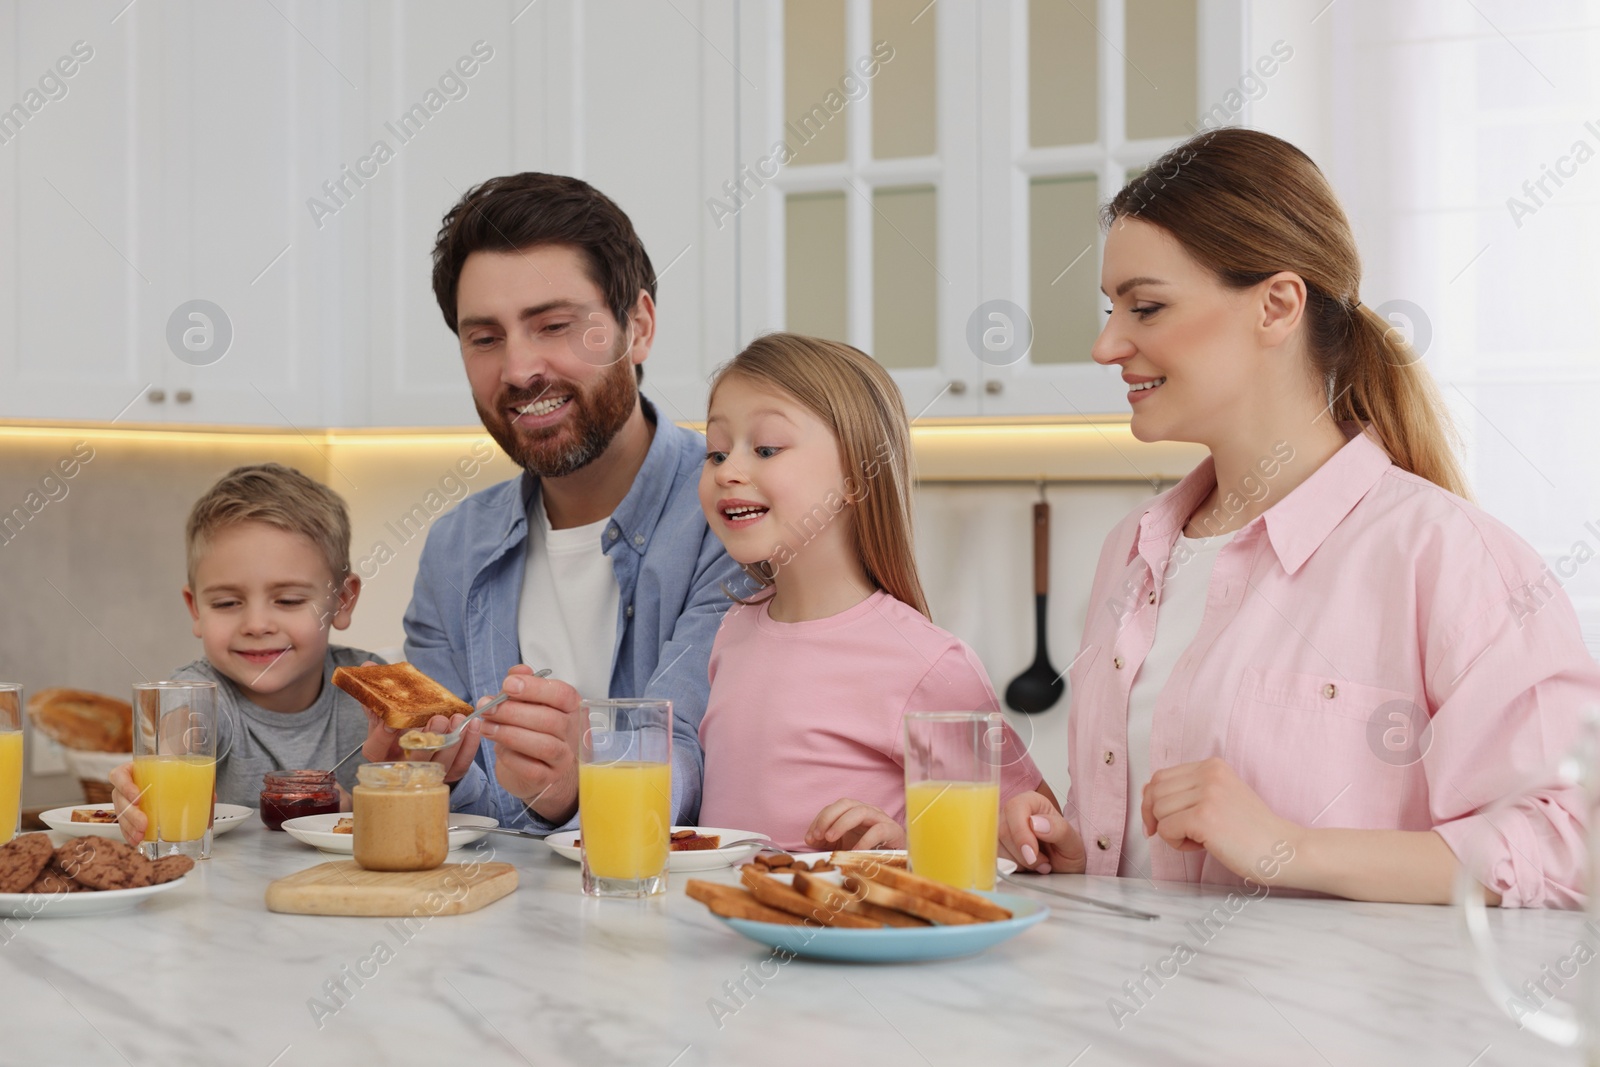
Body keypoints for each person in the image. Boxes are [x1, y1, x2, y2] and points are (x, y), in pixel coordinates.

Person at [1001, 128, 1597, 908]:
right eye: (1111, 308)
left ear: (1277, 304)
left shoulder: (1449, 556)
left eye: (1145, 306)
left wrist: (1291, 846)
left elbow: (1567, 847)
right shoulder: (1134, 550)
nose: (1106, 343)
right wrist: (1073, 850)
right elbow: (1151, 852)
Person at [362, 173, 744, 831]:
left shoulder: (729, 513)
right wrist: (430, 773)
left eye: (554, 325)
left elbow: (694, 760)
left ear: (639, 327)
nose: (517, 369)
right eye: (485, 338)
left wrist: (586, 778)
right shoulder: (456, 546)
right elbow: (476, 814)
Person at [696, 333, 1047, 850]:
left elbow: (1026, 838)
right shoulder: (734, 629)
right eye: (716, 452)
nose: (729, 471)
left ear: (857, 474)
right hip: (724, 928)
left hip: (847, 927)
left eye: (766, 448)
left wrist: (904, 846)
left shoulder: (929, 664)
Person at [111, 464, 383, 839]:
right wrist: (161, 766)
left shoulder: (368, 687)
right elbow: (182, 728)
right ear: (196, 610)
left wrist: (355, 804)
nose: (256, 624)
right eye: (226, 603)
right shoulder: (200, 692)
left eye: (287, 600)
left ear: (342, 601)